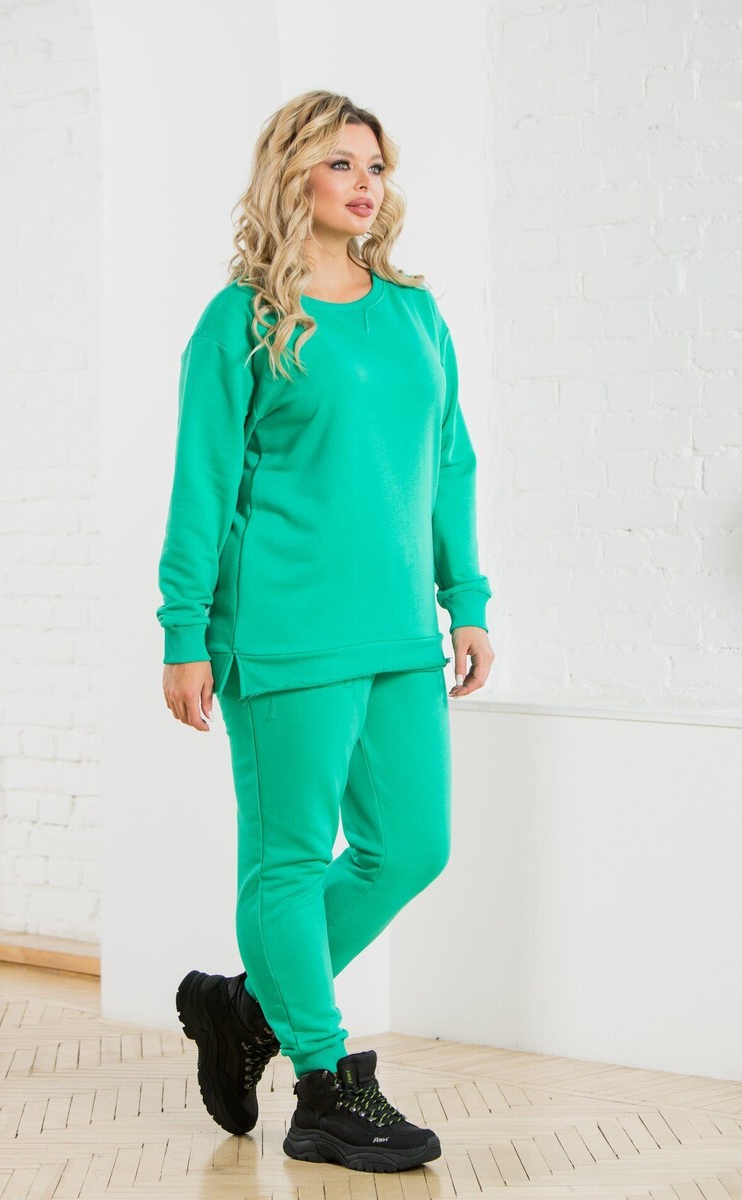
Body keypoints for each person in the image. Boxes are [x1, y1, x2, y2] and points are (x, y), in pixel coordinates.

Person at [158, 89, 495, 1174]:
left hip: (398, 632)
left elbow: (449, 462)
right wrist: (183, 629)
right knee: (289, 861)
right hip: (283, 632)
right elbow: (202, 484)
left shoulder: (413, 315)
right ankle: (323, 1084)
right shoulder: (241, 320)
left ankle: (244, 1010)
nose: (365, 185)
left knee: (413, 847)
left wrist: (467, 598)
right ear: (291, 174)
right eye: (342, 163)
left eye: (377, 167)